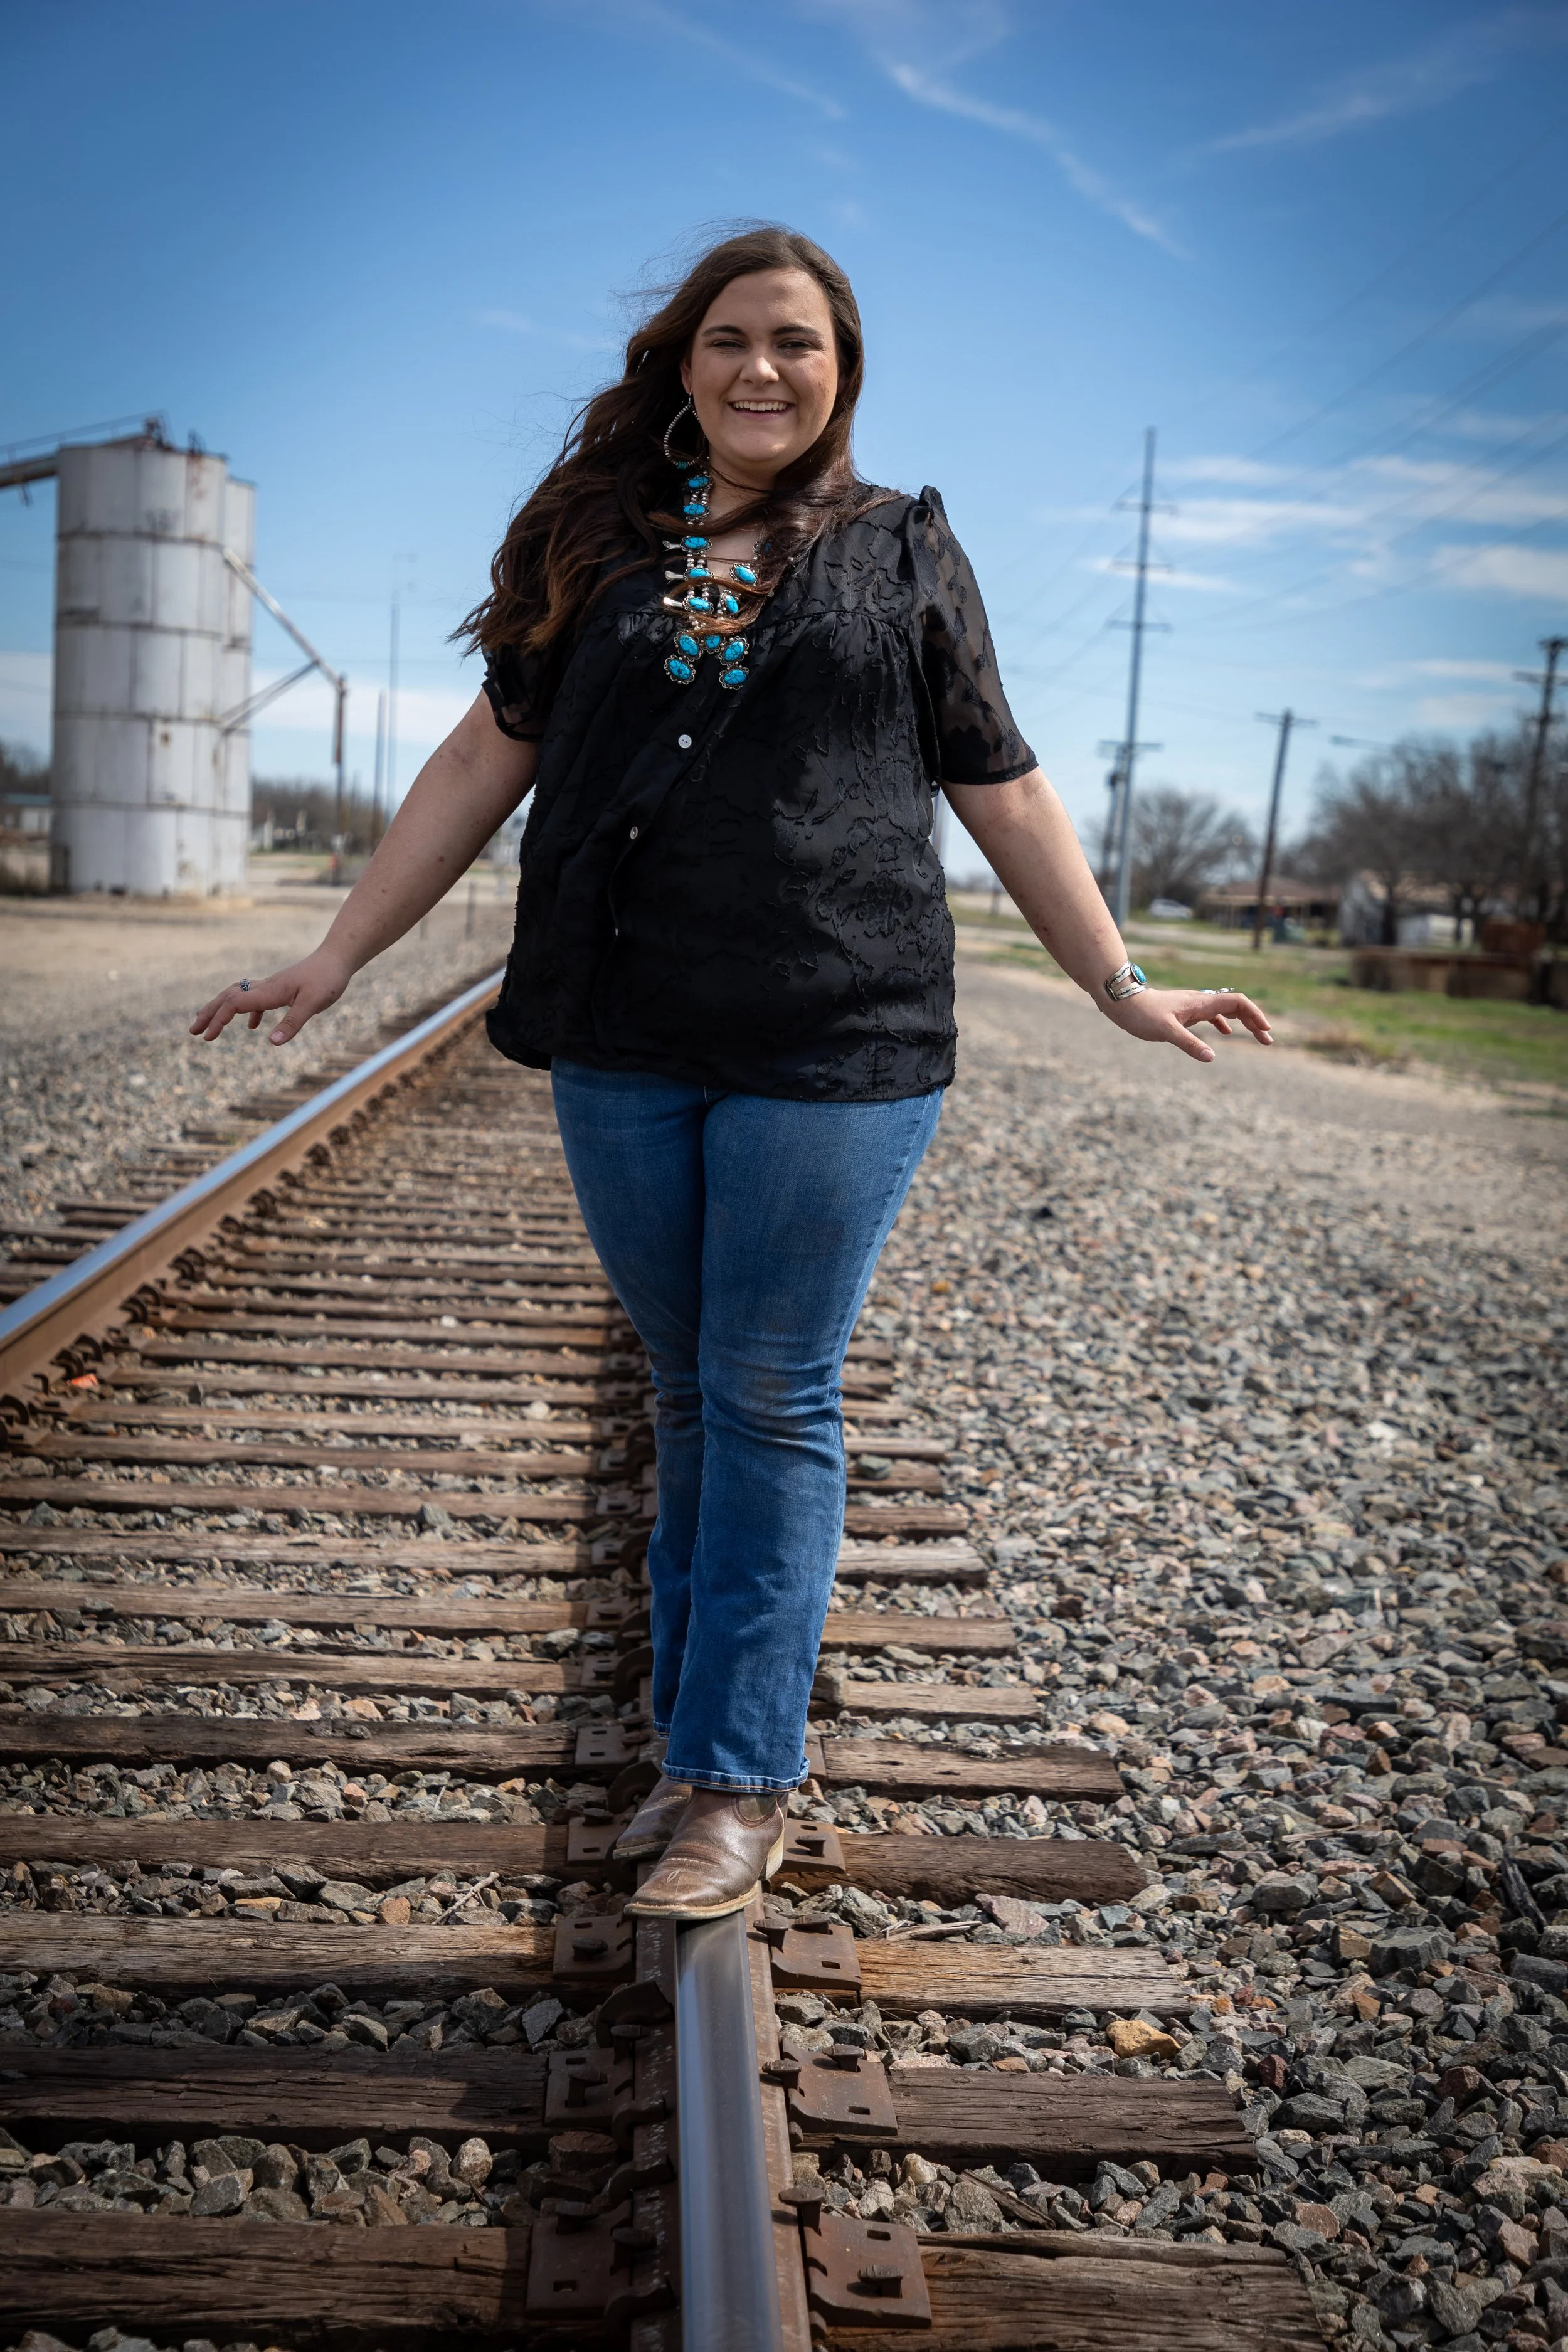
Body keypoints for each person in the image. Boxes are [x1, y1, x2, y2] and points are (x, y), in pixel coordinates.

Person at [191, 226, 1272, 1921]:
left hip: (835, 1036)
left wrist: (1115, 978)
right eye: (728, 342)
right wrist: (338, 954)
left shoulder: (906, 548)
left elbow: (1002, 782)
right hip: (622, 1026)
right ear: (679, 365)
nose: (761, 370)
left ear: (842, 372)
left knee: (771, 1393)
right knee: (690, 1385)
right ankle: (702, 1731)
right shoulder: (591, 537)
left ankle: (730, 1780)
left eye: (798, 344)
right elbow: (487, 754)